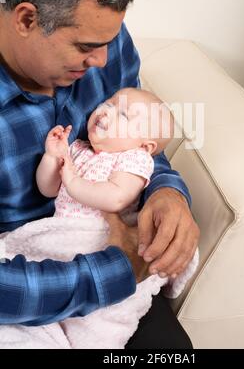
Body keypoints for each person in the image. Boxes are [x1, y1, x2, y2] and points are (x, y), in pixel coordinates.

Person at [0, 0, 199, 348]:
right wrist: (115, 270)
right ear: (26, 19)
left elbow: (138, 144)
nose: (105, 61)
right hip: (28, 280)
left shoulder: (107, 44)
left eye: (111, 39)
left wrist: (167, 191)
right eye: (87, 47)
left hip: (114, 254)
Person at [0, 87, 198, 348]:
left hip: (98, 238)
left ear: (145, 145)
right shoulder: (80, 148)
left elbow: (115, 198)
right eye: (108, 103)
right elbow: (48, 189)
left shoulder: (135, 160)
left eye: (124, 115)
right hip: (59, 236)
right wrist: (52, 157)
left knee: (110, 324)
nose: (106, 112)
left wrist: (72, 180)